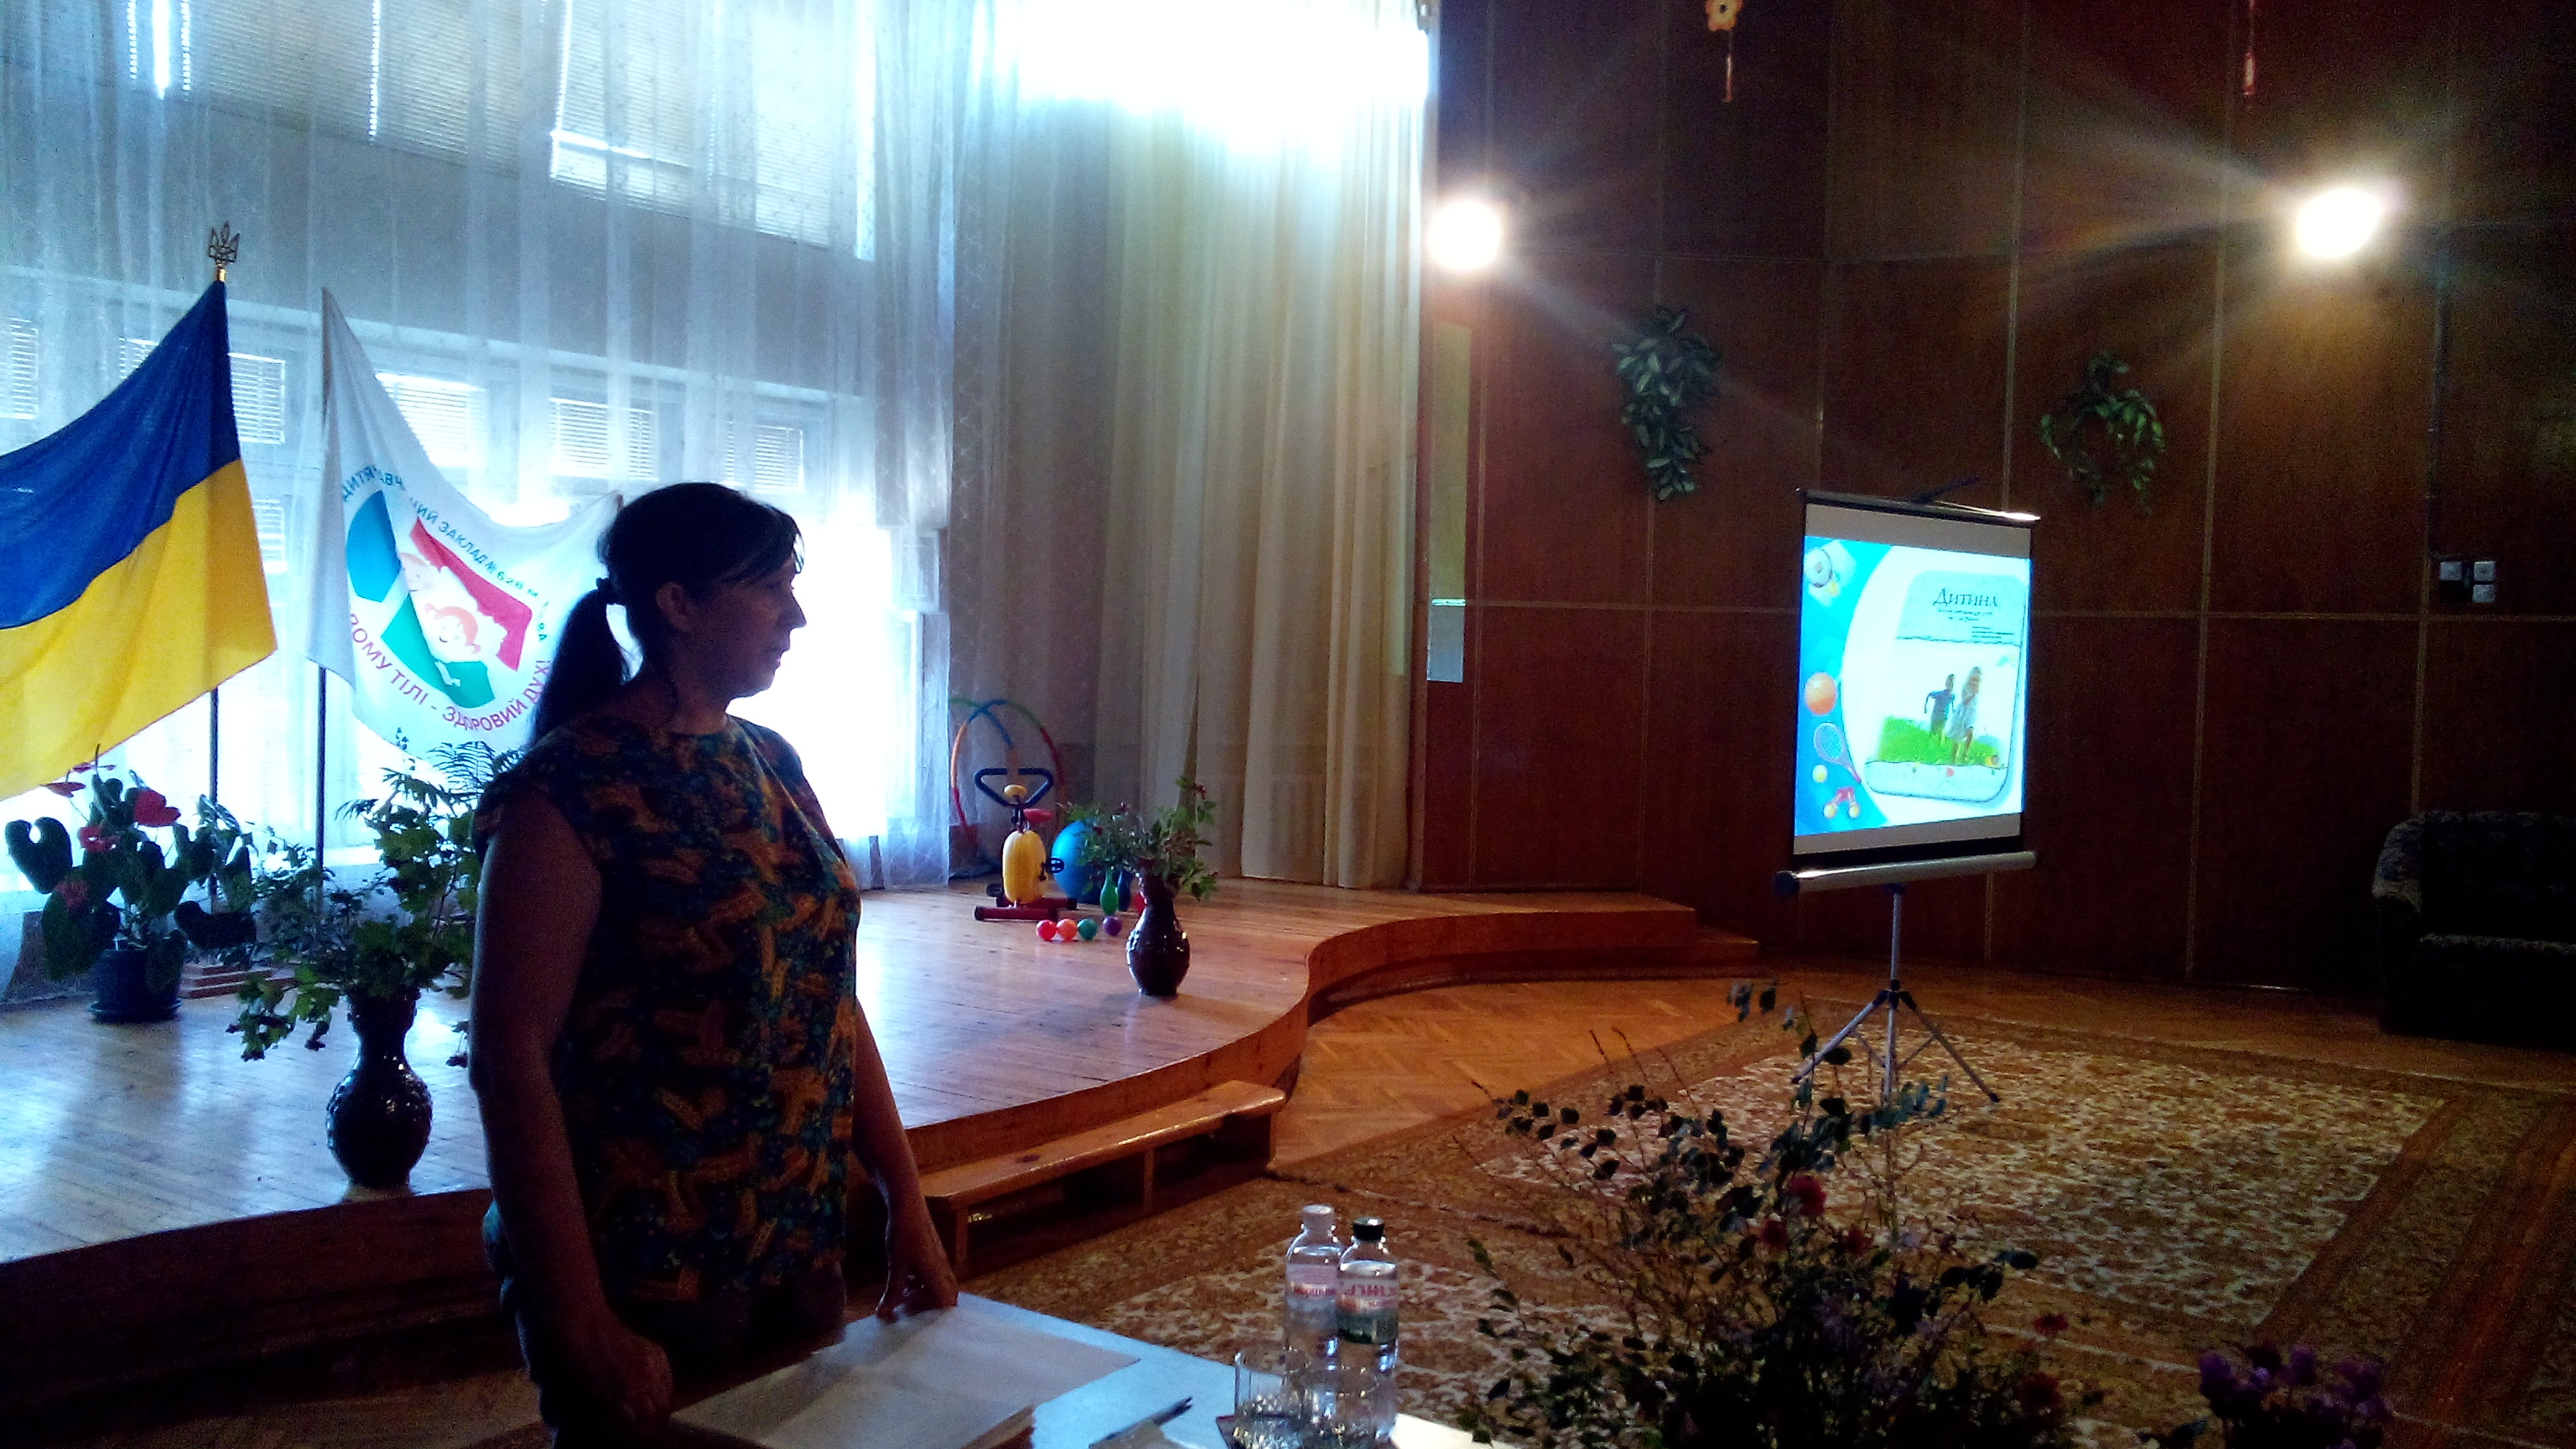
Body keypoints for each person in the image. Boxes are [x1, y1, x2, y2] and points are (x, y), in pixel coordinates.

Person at [470, 483, 956, 1446]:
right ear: (678, 605)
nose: (795, 617)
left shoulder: (770, 760)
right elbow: (510, 1060)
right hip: (648, 1266)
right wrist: (578, 1318)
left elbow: (826, 998)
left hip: (793, 1242)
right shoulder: (568, 790)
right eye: (769, 588)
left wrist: (905, 1199)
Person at [1948, 667, 1981, 765]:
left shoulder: (1980, 689)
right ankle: (1954, 758)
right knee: (1957, 737)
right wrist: (1973, 694)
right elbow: (1965, 701)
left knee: (1971, 732)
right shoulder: (1965, 686)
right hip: (1963, 712)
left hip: (1972, 713)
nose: (1975, 682)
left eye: (1977, 680)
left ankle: (1965, 754)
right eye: (1974, 679)